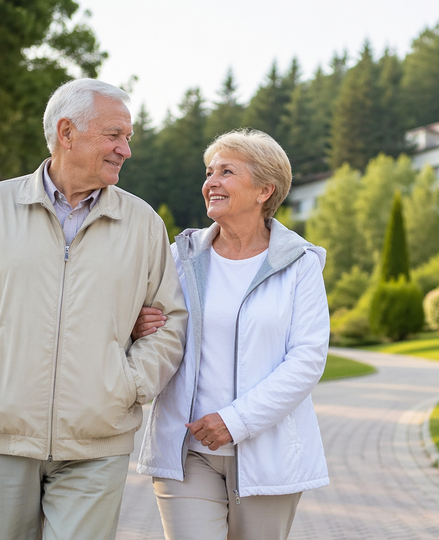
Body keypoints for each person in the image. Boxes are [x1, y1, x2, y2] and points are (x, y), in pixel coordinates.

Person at [0, 78, 188, 540]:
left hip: (98, 443)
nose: (126, 150)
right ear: (67, 132)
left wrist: (129, 384)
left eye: (128, 137)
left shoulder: (142, 223)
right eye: (114, 135)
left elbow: (170, 322)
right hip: (2, 438)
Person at [135, 129, 330, 540]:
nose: (211, 182)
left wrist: (234, 421)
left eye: (226, 172)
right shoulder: (180, 258)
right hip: (187, 451)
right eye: (209, 172)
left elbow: (307, 360)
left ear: (265, 189)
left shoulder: (301, 265)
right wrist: (137, 328)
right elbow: (146, 325)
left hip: (267, 453)